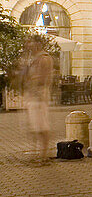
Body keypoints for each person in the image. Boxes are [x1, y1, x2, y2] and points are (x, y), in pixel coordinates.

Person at [21, 35, 53, 163]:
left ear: (38, 44)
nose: (28, 45)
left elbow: (43, 78)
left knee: (41, 126)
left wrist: (32, 82)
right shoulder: (34, 59)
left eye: (31, 42)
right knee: (34, 126)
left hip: (39, 95)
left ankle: (43, 155)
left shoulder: (44, 59)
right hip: (33, 95)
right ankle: (36, 153)